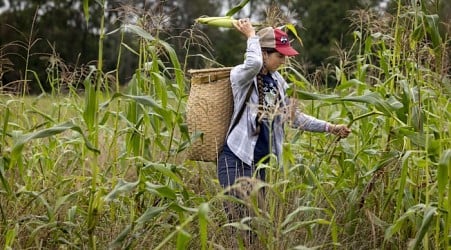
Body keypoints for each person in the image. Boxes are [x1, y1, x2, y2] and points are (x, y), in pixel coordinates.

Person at [217, 18, 351, 192]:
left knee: (253, 218)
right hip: (236, 160)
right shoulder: (242, 76)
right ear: (263, 53)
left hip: (260, 165)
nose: (283, 61)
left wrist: (329, 127)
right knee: (237, 215)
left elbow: (294, 117)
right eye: (279, 56)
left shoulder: (278, 82)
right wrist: (251, 36)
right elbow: (254, 63)